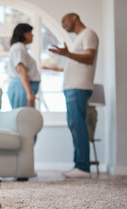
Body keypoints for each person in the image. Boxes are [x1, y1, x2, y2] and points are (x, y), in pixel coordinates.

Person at [43, 13, 99, 178]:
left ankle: (83, 167)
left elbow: (89, 58)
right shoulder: (79, 38)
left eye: (64, 21)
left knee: (78, 125)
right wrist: (59, 69)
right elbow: (78, 63)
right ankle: (79, 166)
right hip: (73, 88)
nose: (62, 24)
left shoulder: (88, 34)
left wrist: (66, 54)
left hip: (78, 88)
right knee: (75, 125)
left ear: (74, 17)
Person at [7, 23, 40, 108]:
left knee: (25, 117)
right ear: (24, 33)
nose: (32, 35)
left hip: (21, 87)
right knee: (23, 118)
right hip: (21, 87)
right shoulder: (19, 47)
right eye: (30, 32)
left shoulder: (20, 48)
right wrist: (29, 92)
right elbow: (20, 69)